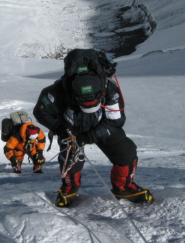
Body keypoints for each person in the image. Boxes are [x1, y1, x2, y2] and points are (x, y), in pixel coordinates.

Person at [33, 48, 152, 207]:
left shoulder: (109, 89)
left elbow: (115, 121)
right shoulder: (57, 92)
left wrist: (88, 137)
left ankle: (123, 188)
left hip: (101, 125)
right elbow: (40, 112)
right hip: (71, 128)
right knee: (70, 158)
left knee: (126, 151)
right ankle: (70, 188)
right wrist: (60, 128)